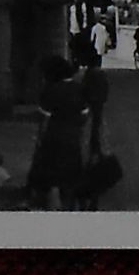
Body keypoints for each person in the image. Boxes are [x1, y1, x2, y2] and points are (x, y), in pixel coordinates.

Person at [27, 55, 86, 210]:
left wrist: (39, 140)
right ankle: (72, 207)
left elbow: (44, 120)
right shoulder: (79, 89)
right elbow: (85, 116)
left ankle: (53, 208)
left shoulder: (50, 90)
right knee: (71, 176)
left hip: (53, 139)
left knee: (52, 179)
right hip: (73, 139)